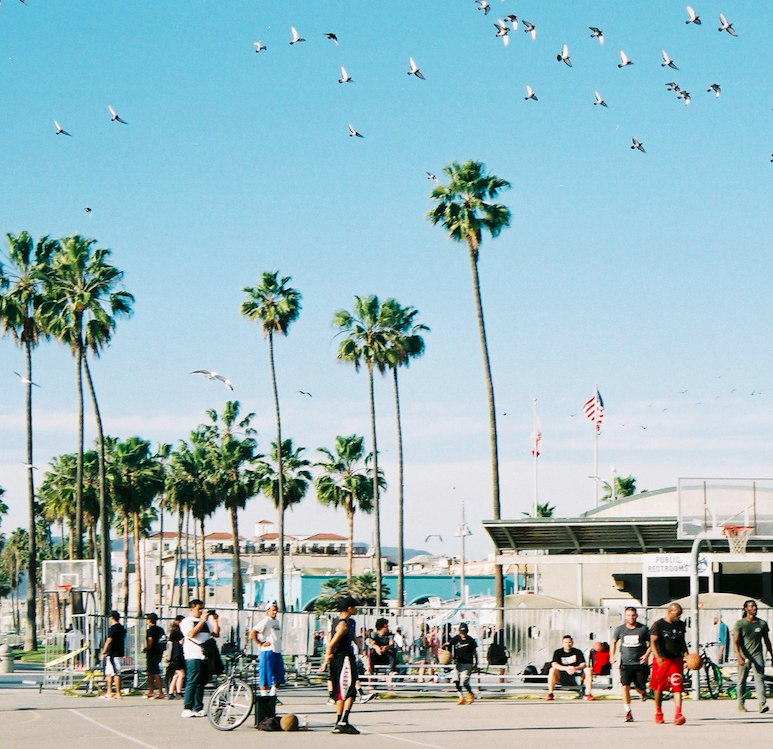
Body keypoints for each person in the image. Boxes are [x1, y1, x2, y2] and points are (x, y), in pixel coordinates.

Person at [319, 596, 361, 734]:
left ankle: (339, 721)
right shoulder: (343, 625)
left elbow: (331, 640)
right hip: (344, 659)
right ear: (349, 608)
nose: (356, 609)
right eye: (355, 607)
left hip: (338, 659)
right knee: (349, 691)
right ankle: (343, 720)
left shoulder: (337, 622)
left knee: (340, 691)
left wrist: (359, 646)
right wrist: (326, 659)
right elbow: (331, 643)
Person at [179, 599, 219, 718]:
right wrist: (202, 621)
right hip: (193, 654)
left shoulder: (205, 623)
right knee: (192, 680)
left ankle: (198, 707)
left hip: (204, 655)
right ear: (191, 609)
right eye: (198, 609)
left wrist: (215, 621)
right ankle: (187, 707)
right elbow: (191, 634)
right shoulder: (187, 621)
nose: (200, 611)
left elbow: (215, 634)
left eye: (202, 608)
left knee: (201, 682)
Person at [650, 602, 688, 725]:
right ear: (669, 611)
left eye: (680, 615)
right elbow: (653, 642)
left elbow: (682, 641)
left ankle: (678, 714)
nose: (679, 617)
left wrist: (686, 655)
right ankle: (658, 711)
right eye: (677, 615)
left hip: (676, 659)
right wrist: (658, 657)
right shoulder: (658, 625)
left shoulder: (681, 625)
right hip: (662, 659)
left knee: (677, 685)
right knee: (659, 687)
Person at [733, 599, 773, 713]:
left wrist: (771, 654)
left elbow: (767, 641)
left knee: (759, 678)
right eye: (751, 606)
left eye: (755, 606)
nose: (754, 608)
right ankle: (740, 703)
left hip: (757, 654)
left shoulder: (762, 623)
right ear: (746, 609)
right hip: (744, 655)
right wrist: (739, 657)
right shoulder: (740, 624)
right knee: (742, 680)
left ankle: (762, 703)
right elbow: (735, 641)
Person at [611, 606, 650, 722]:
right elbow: (613, 641)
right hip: (625, 663)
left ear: (636, 616)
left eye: (633, 615)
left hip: (640, 664)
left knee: (639, 687)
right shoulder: (620, 629)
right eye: (628, 615)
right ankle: (627, 711)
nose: (631, 617)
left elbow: (652, 643)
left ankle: (643, 692)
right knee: (625, 686)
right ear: (625, 616)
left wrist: (647, 654)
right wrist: (611, 656)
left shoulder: (643, 629)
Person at [250, 601, 285, 699]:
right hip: (267, 651)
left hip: (277, 651)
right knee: (265, 675)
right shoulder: (266, 621)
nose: (275, 612)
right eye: (273, 610)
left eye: (276, 610)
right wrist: (260, 643)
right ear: (268, 611)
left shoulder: (276, 622)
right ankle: (263, 696)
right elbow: (253, 632)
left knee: (278, 675)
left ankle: (272, 695)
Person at [444, 622, 478, 705]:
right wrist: (442, 648)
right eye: (462, 633)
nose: (463, 635)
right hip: (458, 663)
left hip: (468, 663)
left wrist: (476, 663)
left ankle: (470, 694)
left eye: (465, 633)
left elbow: (475, 652)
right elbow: (449, 644)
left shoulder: (471, 640)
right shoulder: (456, 639)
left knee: (464, 682)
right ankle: (461, 697)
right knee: (456, 681)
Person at [546, 635, 588, 700]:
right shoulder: (558, 652)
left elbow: (583, 664)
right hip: (561, 675)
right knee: (552, 669)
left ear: (572, 643)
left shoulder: (578, 652)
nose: (568, 644)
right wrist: (566, 668)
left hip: (575, 674)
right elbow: (554, 664)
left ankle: (588, 694)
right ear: (563, 644)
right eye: (566, 642)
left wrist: (575, 668)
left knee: (588, 670)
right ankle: (550, 693)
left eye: (569, 642)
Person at [100, 611, 126, 700]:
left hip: (113, 653)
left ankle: (117, 693)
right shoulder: (122, 628)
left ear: (111, 617)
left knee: (115, 673)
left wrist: (103, 651)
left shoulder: (113, 628)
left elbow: (109, 640)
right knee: (110, 673)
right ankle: (109, 692)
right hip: (119, 652)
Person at [143, 613, 166, 699]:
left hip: (152, 652)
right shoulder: (160, 629)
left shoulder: (150, 630)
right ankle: (151, 691)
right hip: (159, 652)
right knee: (150, 671)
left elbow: (150, 640)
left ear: (149, 620)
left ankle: (160, 692)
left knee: (155, 672)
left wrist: (146, 648)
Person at [165, 615, 185, 699]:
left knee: (176, 675)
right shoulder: (178, 634)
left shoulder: (172, 634)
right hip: (177, 656)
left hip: (174, 657)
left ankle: (170, 692)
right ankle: (178, 691)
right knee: (181, 674)